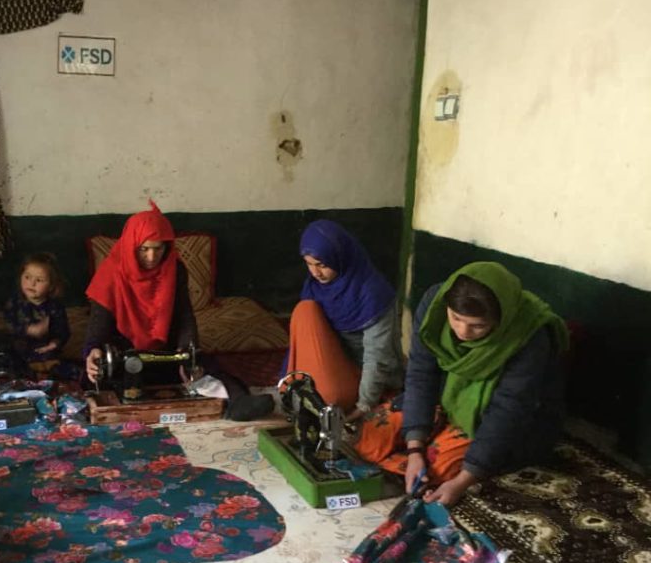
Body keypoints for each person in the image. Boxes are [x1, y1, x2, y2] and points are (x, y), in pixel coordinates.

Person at [355, 261, 568, 506]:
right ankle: (418, 451)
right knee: (372, 434)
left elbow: (508, 411)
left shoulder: (528, 336)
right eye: (455, 318)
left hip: (506, 419)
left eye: (478, 325)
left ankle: (436, 455)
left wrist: (463, 481)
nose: (463, 331)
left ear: (502, 319)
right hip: (447, 399)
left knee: (441, 468)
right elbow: (421, 374)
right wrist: (415, 448)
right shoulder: (435, 305)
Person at [84, 201, 271, 420]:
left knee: (203, 367)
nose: (152, 258)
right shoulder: (111, 273)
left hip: (166, 344)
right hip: (125, 349)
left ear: (167, 247)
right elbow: (98, 325)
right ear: (131, 246)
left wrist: (188, 351)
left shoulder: (175, 268)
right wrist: (93, 351)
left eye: (158, 249)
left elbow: (184, 315)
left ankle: (238, 402)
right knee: (100, 378)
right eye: (144, 249)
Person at [283, 220, 403, 421]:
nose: (315, 273)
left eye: (321, 264)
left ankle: (333, 396)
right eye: (309, 264)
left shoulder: (372, 293)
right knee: (305, 310)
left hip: (365, 377)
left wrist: (364, 405)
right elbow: (306, 342)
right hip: (335, 364)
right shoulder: (315, 287)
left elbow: (377, 356)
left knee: (328, 398)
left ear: (340, 257)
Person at [3, 252, 73, 379]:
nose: (31, 283)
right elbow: (8, 324)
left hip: (46, 352)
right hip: (19, 351)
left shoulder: (55, 307)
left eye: (39, 280)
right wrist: (28, 330)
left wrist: (54, 343)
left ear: (51, 286)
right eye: (27, 277)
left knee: (62, 372)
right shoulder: (15, 302)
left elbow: (63, 331)